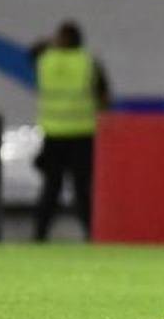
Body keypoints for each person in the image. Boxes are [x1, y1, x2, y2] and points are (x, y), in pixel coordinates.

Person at [30, 21, 110, 241]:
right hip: (82, 133)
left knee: (51, 188)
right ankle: (92, 235)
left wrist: (51, 42)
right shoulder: (89, 62)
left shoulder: (46, 59)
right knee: (81, 189)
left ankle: (39, 235)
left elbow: (33, 50)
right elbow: (104, 96)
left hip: (55, 133)